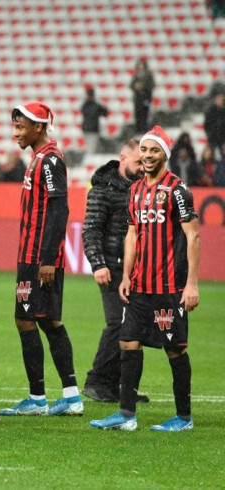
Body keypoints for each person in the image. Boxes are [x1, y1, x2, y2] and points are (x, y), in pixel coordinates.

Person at [91, 126, 200, 432]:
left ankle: (184, 417)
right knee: (127, 341)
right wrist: (125, 275)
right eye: (144, 150)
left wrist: (191, 284)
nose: (148, 155)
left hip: (169, 288)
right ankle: (126, 414)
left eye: (155, 150)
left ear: (165, 154)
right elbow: (132, 234)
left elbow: (194, 238)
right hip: (139, 285)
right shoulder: (136, 189)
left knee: (175, 348)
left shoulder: (178, 190)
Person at [0, 102, 83, 417]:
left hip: (39, 258)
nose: (15, 133)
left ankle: (39, 399)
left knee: (27, 320)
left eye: (21, 127)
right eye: (14, 126)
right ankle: (69, 396)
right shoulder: (38, 159)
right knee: (46, 320)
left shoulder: (49, 161)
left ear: (39, 127)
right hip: (32, 255)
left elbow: (60, 209)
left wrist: (48, 258)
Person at [82, 139, 150, 403]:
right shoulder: (103, 189)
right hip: (111, 266)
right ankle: (97, 381)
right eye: (138, 162)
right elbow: (91, 229)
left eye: (145, 163)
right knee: (118, 323)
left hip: (135, 269)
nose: (143, 168)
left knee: (131, 326)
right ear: (123, 157)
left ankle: (119, 385)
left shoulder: (142, 188)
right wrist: (98, 263)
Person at [129, 57, 155, 134]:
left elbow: (151, 85)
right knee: (138, 115)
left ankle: (144, 130)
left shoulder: (148, 75)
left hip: (145, 97)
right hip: (138, 99)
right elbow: (131, 85)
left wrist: (143, 86)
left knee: (144, 115)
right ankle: (138, 130)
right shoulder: (136, 75)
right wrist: (136, 86)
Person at [81, 86, 108, 155]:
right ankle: (87, 162)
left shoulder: (94, 105)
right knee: (89, 149)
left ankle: (88, 162)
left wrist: (105, 108)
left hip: (93, 130)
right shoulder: (87, 105)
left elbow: (105, 114)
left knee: (91, 149)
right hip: (88, 130)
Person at [204, 93, 225, 158]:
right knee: (210, 154)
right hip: (213, 137)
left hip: (222, 138)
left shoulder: (222, 111)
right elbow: (207, 125)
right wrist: (210, 135)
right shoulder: (211, 111)